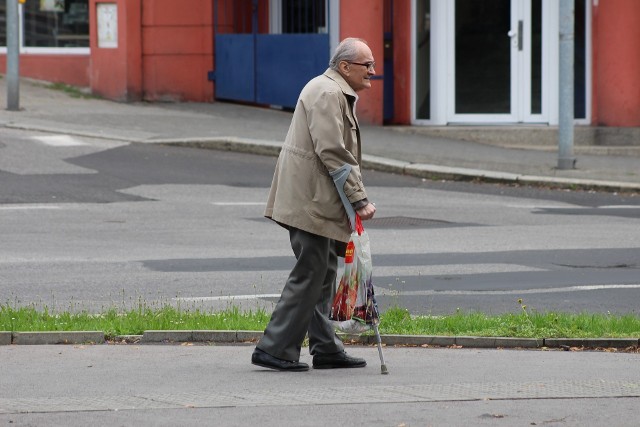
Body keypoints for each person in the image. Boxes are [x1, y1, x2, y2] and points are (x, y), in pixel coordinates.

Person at [251, 38, 377, 372]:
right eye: (368, 65)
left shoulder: (334, 91)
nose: (373, 72)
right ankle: (275, 348)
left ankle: (326, 348)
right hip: (310, 200)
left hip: (316, 199)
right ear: (345, 66)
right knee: (311, 271)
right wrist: (359, 199)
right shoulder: (328, 92)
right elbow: (333, 151)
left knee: (323, 272)